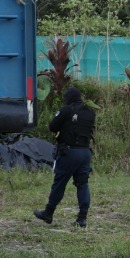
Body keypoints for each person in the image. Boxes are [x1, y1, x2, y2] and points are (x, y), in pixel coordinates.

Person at [34, 86, 96, 227]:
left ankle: (48, 213)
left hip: (69, 152)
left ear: (69, 98)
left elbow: (52, 127)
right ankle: (82, 218)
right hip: (85, 152)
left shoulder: (67, 110)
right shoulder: (90, 111)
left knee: (60, 183)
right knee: (82, 184)